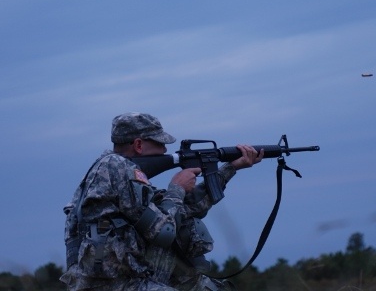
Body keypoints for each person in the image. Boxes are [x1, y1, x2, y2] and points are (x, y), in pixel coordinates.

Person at [60, 112, 263, 290]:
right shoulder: (118, 167)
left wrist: (231, 168)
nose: (165, 151)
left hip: (116, 280)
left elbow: (184, 210)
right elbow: (163, 231)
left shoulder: (110, 170)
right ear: (138, 144)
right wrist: (177, 188)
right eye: (159, 144)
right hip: (113, 284)